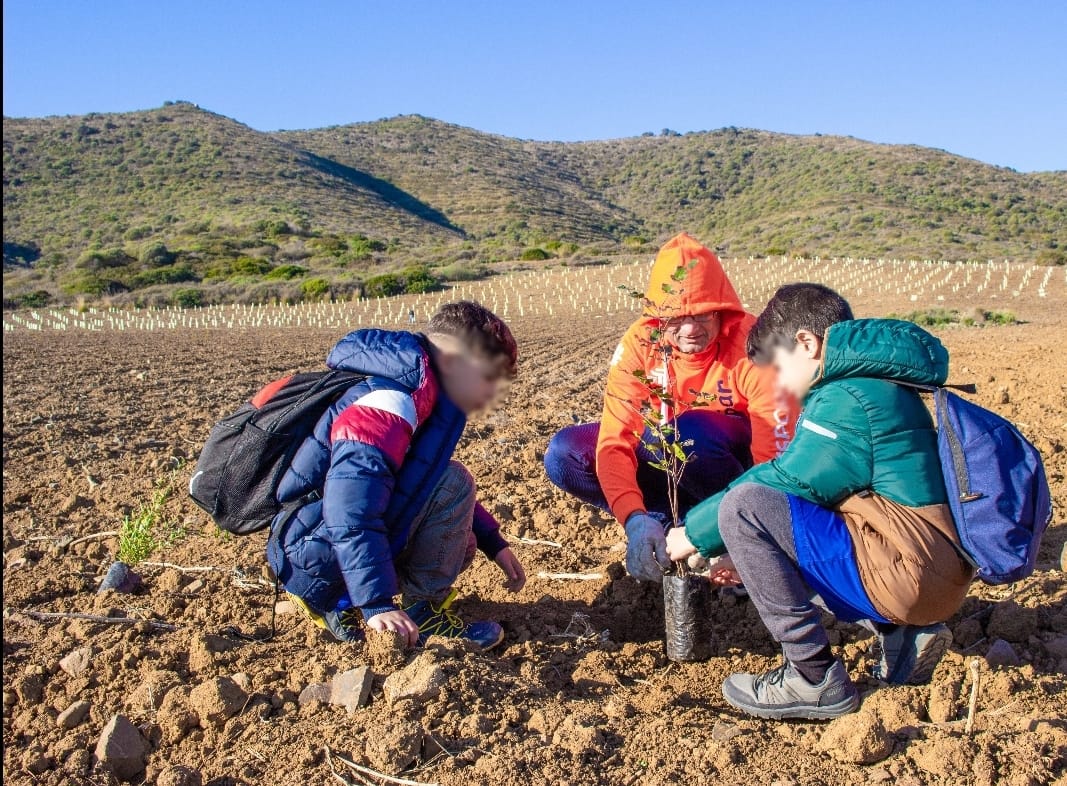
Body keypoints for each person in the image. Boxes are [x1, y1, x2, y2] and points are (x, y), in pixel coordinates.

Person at [666, 283, 974, 720]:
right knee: (767, 519)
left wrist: (695, 534)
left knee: (745, 505)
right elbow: (824, 503)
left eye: (779, 368)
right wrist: (753, 557)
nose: (781, 386)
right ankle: (902, 634)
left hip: (910, 572)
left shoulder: (846, 398)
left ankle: (812, 677)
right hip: (929, 567)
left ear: (806, 344)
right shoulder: (875, 386)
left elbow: (786, 479)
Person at [267, 301, 527, 649]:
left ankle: (339, 598)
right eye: (490, 377)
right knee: (455, 483)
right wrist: (376, 602)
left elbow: (424, 479)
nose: (491, 393)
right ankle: (401, 610)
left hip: (315, 541)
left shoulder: (420, 387)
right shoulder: (390, 403)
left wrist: (493, 544)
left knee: (463, 538)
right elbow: (349, 506)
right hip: (312, 548)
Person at [543, 232, 792, 582]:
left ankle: (733, 540)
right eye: (676, 317)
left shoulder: (753, 345)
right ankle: (664, 526)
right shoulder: (642, 344)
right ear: (658, 318)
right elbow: (616, 438)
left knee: (684, 434)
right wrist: (634, 519)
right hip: (669, 456)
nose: (690, 328)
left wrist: (742, 529)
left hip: (735, 468)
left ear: (722, 309)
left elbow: (774, 456)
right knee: (566, 453)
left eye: (704, 315)